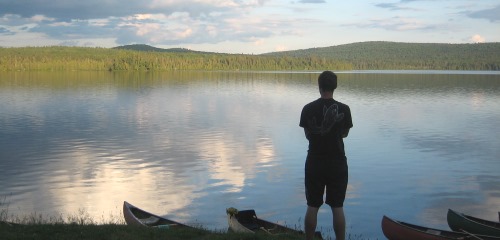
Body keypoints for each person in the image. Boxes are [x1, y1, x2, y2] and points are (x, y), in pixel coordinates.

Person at [299, 71, 353, 240]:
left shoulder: (307, 109)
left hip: (315, 162)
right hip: (337, 162)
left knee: (312, 205)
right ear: (334, 87)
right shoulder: (345, 109)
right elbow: (344, 134)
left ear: (319, 86)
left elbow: (308, 134)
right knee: (337, 207)